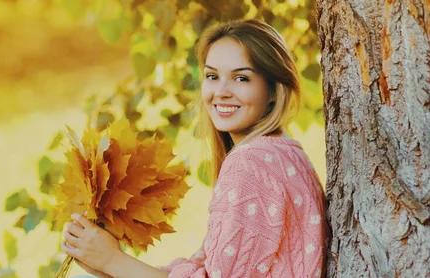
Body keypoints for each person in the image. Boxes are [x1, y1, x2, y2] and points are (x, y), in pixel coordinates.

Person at [61, 19, 328, 278]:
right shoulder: (285, 151)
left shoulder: (251, 163)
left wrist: (112, 260)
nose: (221, 91)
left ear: (273, 90)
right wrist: (108, 265)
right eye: (212, 76)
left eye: (241, 78)